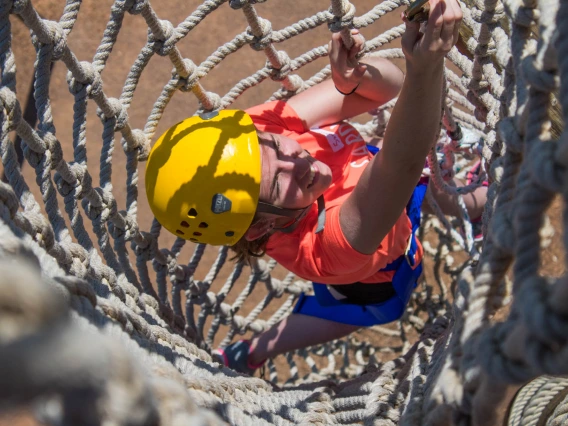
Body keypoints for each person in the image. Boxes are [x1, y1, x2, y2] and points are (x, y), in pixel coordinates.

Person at [145, 0, 484, 375]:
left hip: (378, 180)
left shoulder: (252, 140)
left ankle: (474, 209)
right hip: (375, 268)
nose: (297, 158)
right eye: (277, 181)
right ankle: (253, 351)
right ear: (260, 226)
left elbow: (392, 88)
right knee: (347, 312)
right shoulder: (326, 249)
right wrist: (427, 65)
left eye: (273, 144)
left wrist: (356, 80)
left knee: (439, 192)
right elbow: (398, 166)